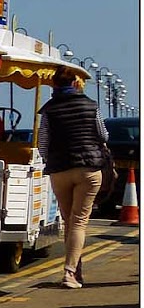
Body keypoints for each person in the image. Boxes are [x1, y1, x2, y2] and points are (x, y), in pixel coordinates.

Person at [38, 69, 112, 288]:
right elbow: (103, 135)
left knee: (69, 222)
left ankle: (75, 272)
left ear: (53, 85)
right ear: (75, 82)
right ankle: (70, 273)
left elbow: (43, 142)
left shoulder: (49, 110)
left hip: (60, 170)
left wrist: (51, 160)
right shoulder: (91, 105)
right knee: (79, 221)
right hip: (88, 169)